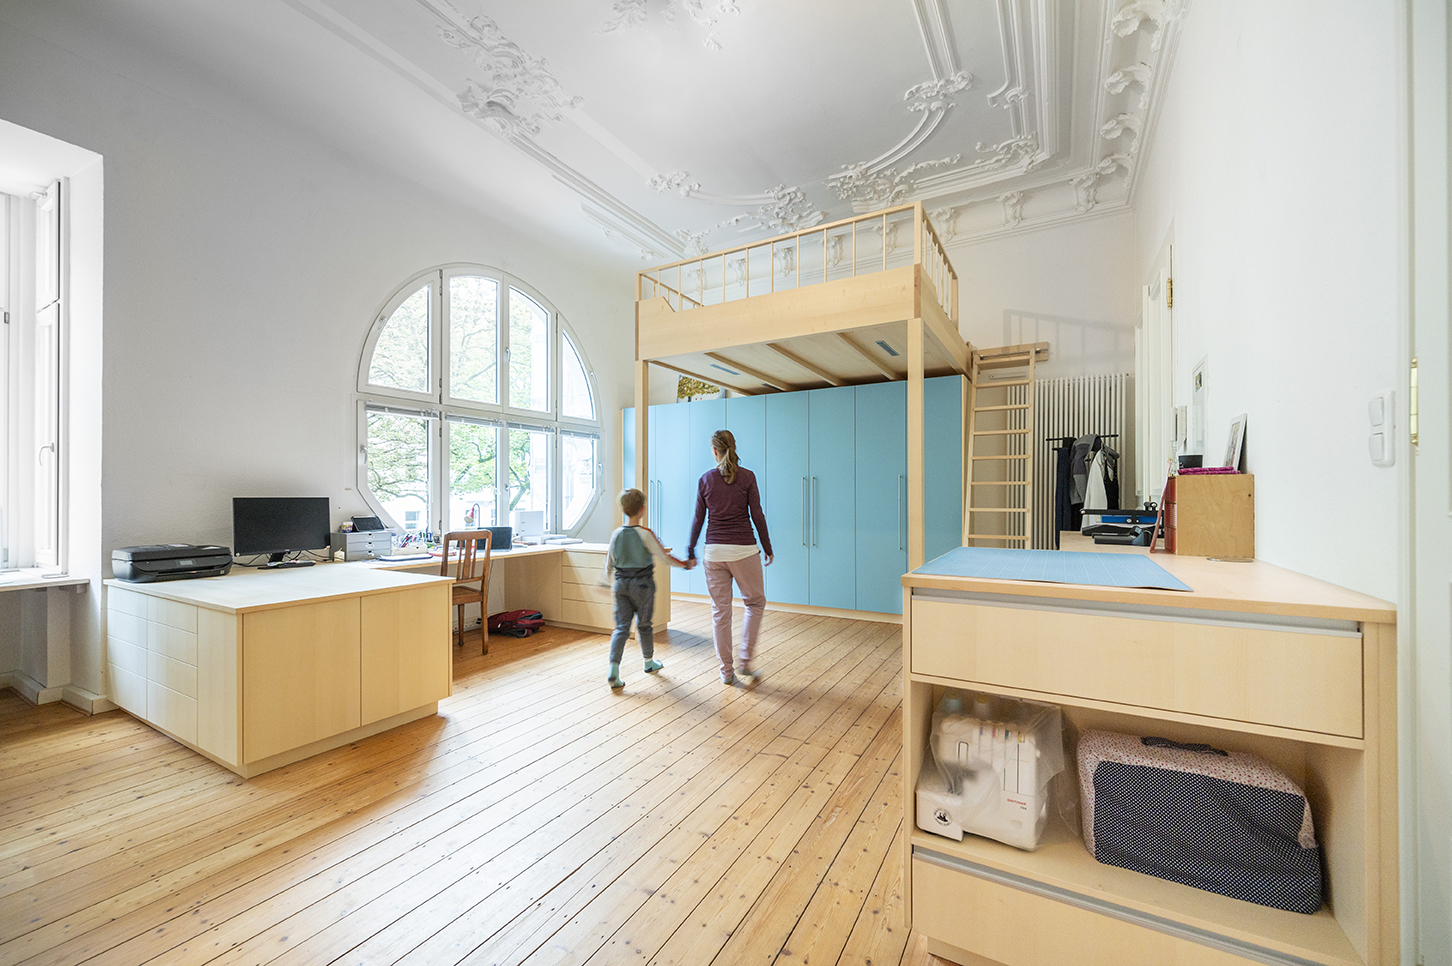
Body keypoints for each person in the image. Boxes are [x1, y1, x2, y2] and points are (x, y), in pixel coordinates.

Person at [687, 429, 772, 685]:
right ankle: (745, 661)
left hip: (714, 552)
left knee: (720, 613)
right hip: (744, 550)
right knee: (755, 603)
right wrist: (767, 547)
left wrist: (690, 550)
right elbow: (757, 515)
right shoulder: (748, 477)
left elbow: (698, 519)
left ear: (715, 451)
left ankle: (726, 672)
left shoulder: (705, 479)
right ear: (733, 448)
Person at [600, 487, 690, 690]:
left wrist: (605, 582)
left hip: (620, 585)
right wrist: (684, 564)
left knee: (621, 628)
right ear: (642, 509)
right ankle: (649, 663)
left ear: (623, 509)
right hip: (642, 585)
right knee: (644, 625)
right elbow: (664, 557)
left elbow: (608, 562)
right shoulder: (645, 534)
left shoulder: (616, 534)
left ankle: (613, 670)